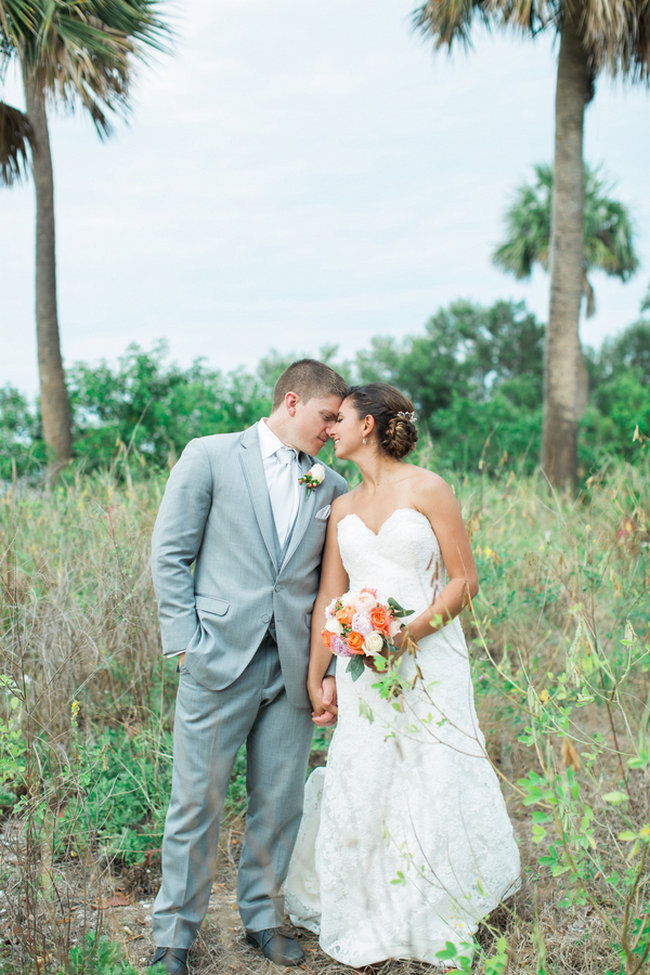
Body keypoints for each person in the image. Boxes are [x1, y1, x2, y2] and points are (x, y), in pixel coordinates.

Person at [284, 383, 521, 969]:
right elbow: (328, 599)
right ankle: (368, 902)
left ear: (367, 426)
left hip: (429, 657)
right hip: (361, 664)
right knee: (366, 773)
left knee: (431, 769)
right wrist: (321, 676)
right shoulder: (340, 506)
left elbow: (463, 582)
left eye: (339, 420)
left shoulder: (429, 488)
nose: (329, 429)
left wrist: (404, 637)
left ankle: (435, 901)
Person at [148, 359, 348, 975]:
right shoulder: (208, 456)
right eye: (327, 416)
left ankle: (262, 917)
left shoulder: (331, 485)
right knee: (195, 803)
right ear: (292, 401)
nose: (333, 428)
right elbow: (170, 551)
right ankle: (174, 936)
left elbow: (329, 588)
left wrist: (329, 668)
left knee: (279, 801)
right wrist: (186, 641)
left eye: (340, 420)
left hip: (292, 668)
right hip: (217, 659)